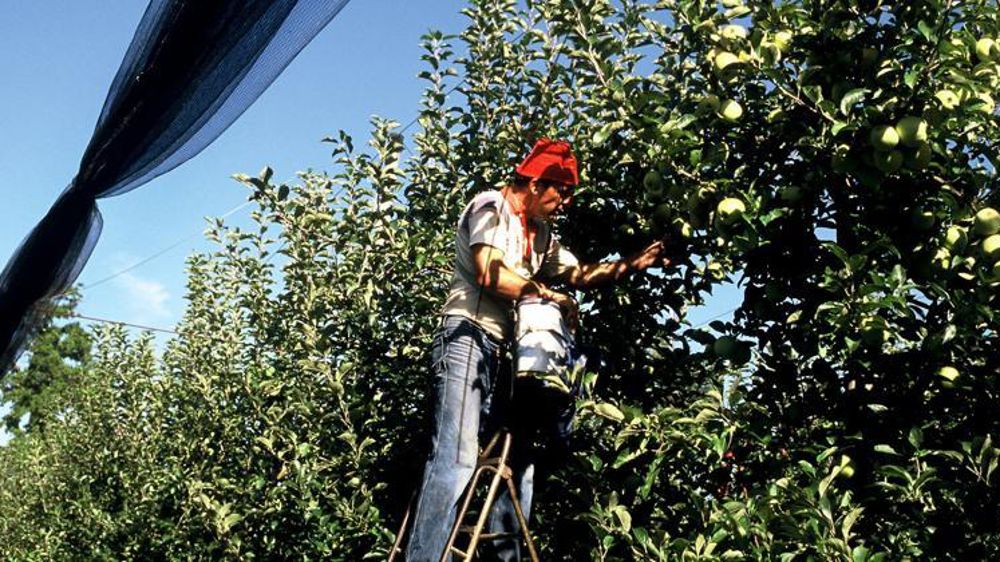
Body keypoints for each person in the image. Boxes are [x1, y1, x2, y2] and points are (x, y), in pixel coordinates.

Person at [405, 139, 669, 561]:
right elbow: (490, 274)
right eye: (560, 190)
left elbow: (580, 274)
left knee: (519, 464)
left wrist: (632, 264)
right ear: (533, 181)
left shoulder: (542, 236)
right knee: (456, 459)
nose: (564, 201)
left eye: (568, 193)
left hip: (506, 356)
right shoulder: (490, 208)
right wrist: (546, 293)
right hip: (468, 338)